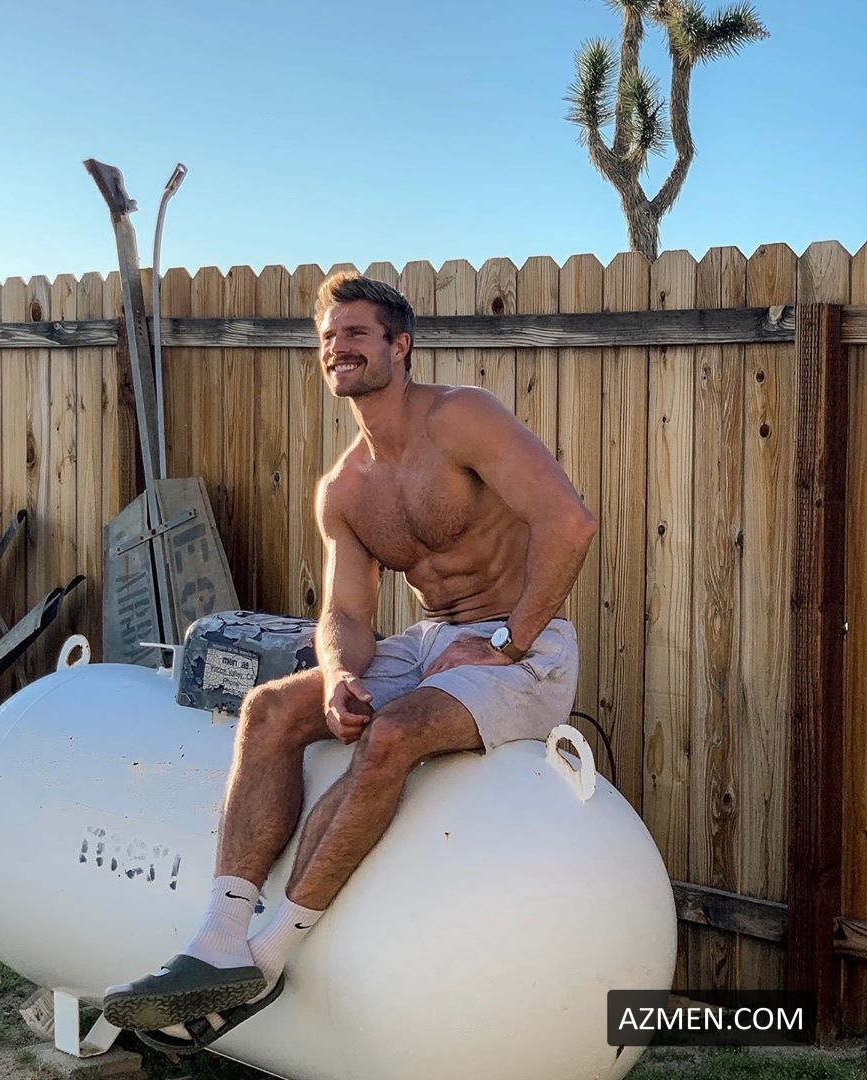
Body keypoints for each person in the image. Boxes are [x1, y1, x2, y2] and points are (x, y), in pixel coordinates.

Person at [102, 272, 597, 1050]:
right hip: (432, 640)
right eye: (329, 338)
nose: (339, 348)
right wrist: (338, 677)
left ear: (401, 346)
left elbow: (569, 523)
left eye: (357, 333)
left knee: (392, 735)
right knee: (270, 709)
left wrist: (509, 643)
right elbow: (347, 616)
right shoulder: (343, 487)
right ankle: (218, 940)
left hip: (525, 647)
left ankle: (268, 959)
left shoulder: (460, 418)